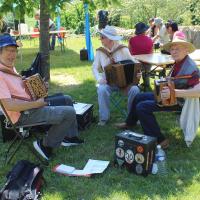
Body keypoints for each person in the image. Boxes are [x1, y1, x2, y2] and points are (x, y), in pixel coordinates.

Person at [0, 34, 83, 160]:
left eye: (14, 51)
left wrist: (39, 87)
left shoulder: (8, 68)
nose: (12, 55)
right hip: (22, 115)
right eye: (8, 51)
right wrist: (36, 104)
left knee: (67, 99)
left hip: (30, 106)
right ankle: (45, 145)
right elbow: (9, 105)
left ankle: (69, 137)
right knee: (69, 113)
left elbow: (20, 90)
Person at [116, 33, 200, 148]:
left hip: (180, 101)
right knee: (138, 97)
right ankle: (129, 123)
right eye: (172, 48)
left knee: (142, 107)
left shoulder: (191, 68)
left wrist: (174, 92)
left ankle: (160, 140)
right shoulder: (179, 62)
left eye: (178, 49)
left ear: (186, 50)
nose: (174, 51)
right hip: (169, 96)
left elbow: (198, 92)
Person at [92, 25, 141, 126]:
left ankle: (132, 117)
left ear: (109, 39)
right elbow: (94, 68)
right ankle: (104, 118)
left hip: (125, 83)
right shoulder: (100, 52)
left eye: (102, 37)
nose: (100, 39)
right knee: (101, 89)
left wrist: (138, 73)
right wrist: (99, 79)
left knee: (135, 90)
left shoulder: (123, 49)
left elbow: (134, 63)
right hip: (108, 83)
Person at [128, 22, 154, 87]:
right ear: (144, 31)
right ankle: (146, 82)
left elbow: (129, 52)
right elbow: (151, 53)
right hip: (147, 64)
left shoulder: (132, 40)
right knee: (147, 67)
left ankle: (135, 82)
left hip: (136, 63)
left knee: (135, 66)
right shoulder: (150, 40)